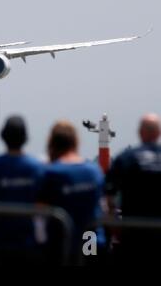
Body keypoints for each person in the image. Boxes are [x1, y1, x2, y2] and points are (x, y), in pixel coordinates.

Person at [0, 115, 44, 266]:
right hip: (26, 242)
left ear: (2, 136)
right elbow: (42, 205)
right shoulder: (37, 167)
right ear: (26, 138)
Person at [38, 121, 105, 265]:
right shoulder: (94, 171)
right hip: (92, 244)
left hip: (61, 248)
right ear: (76, 142)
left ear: (52, 144)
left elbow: (39, 213)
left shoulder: (50, 173)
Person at [106, 113, 161, 262]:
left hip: (132, 233)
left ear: (140, 132)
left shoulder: (126, 158)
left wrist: (114, 226)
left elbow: (109, 196)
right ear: (159, 133)